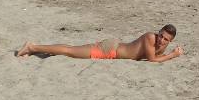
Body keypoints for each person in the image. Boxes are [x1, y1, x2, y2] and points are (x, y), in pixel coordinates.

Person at [17, 25, 183, 62]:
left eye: (165, 39)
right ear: (158, 32)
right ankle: (32, 46)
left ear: (171, 41)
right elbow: (153, 60)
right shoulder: (150, 37)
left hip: (113, 50)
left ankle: (34, 50)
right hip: (110, 49)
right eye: (161, 36)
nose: (161, 40)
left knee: (71, 50)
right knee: (70, 51)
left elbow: (154, 56)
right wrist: (173, 55)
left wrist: (166, 53)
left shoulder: (162, 45)